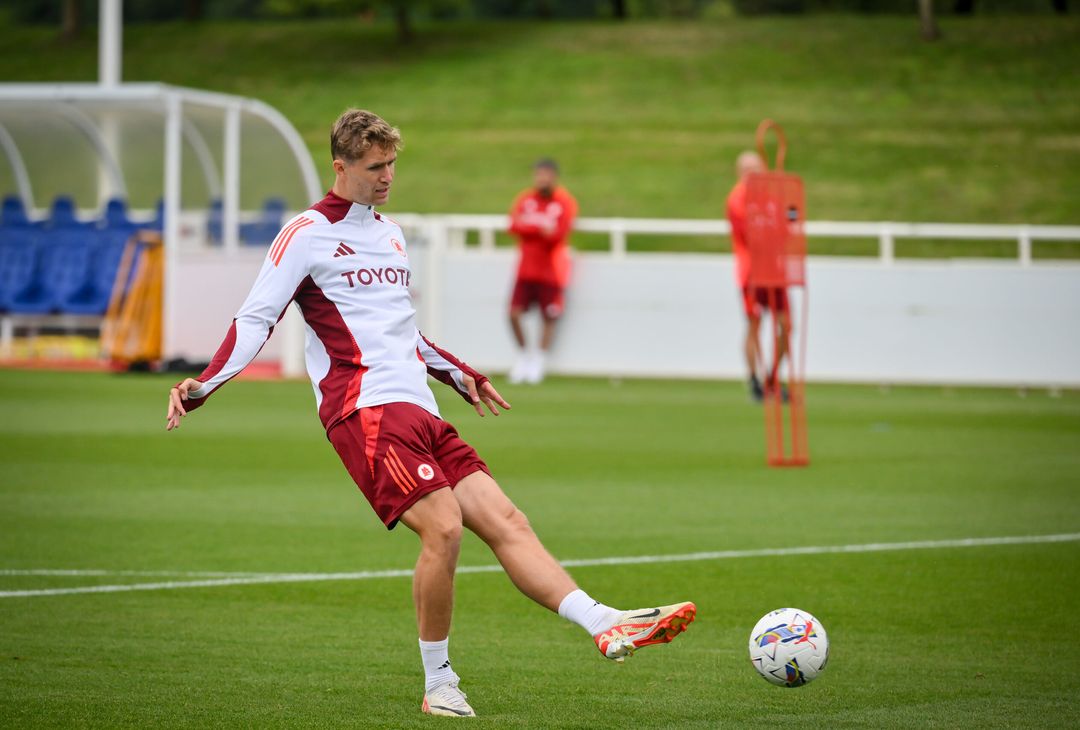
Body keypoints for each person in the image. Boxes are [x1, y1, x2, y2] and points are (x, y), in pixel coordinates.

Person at [166, 110, 694, 718]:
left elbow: (405, 333)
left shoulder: (390, 235)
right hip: (363, 410)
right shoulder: (306, 233)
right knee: (443, 528)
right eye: (374, 167)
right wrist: (205, 384)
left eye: (392, 164)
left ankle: (604, 622)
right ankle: (439, 682)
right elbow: (255, 317)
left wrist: (461, 373)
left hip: (420, 407)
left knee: (508, 520)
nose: (387, 176)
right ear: (341, 167)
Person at [726, 150, 791, 401]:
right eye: (748, 170)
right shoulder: (737, 199)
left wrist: (790, 210)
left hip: (775, 271)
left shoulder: (772, 198)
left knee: (786, 325)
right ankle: (754, 379)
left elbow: (788, 223)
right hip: (751, 273)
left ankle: (773, 377)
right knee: (755, 324)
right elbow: (751, 234)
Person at [506, 158, 578, 384]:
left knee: (549, 316)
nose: (541, 178)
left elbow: (558, 234)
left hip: (552, 270)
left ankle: (538, 360)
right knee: (514, 313)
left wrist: (530, 229)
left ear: (553, 176)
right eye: (538, 174)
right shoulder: (526, 199)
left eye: (545, 174)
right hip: (526, 268)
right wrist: (539, 228)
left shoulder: (564, 201)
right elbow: (513, 225)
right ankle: (524, 355)